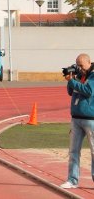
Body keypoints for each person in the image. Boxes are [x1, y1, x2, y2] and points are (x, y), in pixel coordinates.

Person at [60, 53, 94, 189]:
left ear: (89, 62)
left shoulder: (93, 76)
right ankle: (72, 180)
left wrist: (72, 81)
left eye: (81, 65)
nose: (80, 68)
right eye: (77, 65)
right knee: (73, 151)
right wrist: (71, 79)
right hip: (76, 119)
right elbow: (70, 92)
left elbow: (89, 90)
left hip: (91, 120)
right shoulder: (79, 76)